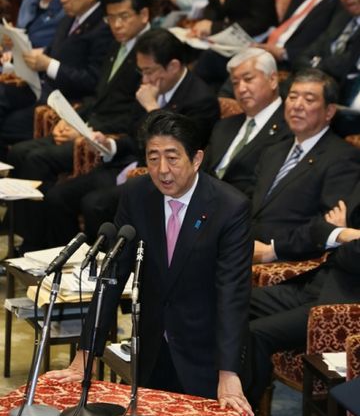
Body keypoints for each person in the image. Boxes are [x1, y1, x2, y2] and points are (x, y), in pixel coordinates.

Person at [46, 111, 253, 415]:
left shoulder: (230, 208)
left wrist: (228, 372)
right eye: (153, 158)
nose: (162, 170)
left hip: (206, 356)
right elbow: (113, 275)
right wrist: (85, 354)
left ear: (196, 159)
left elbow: (231, 295)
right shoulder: (137, 195)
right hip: (152, 350)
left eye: (172, 158)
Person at [40, 28, 220, 246]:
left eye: (150, 71)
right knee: (58, 197)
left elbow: (181, 146)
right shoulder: (149, 85)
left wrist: (152, 107)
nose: (144, 78)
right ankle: (68, 262)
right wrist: (111, 144)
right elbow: (134, 134)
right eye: (141, 71)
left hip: (162, 176)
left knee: (95, 204)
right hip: (126, 164)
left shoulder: (201, 99)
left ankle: (106, 271)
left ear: (173, 66)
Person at [8, 0, 150, 252]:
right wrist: (70, 119)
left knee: (37, 160)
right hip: (89, 125)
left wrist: (85, 127)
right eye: (111, 19)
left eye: (124, 17)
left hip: (108, 137)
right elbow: (98, 97)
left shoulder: (150, 53)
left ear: (144, 15)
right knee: (19, 153)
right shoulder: (117, 45)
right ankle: (29, 239)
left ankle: (40, 246)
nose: (117, 25)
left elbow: (132, 115)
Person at [248, 179, 360, 408]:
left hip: (341, 307)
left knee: (256, 334)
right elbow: (321, 226)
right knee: (228, 303)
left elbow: (353, 256)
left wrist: (342, 234)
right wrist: (345, 233)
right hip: (318, 281)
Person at [0, 0, 112, 146]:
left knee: (8, 125)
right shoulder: (70, 18)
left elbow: (93, 80)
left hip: (64, 100)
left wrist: (48, 64)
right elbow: (52, 51)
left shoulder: (103, 28)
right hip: (39, 87)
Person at [251, 68, 360, 263]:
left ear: (329, 111)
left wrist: (273, 249)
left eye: (309, 100)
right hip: (239, 244)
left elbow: (325, 225)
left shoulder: (343, 158)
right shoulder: (273, 150)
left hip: (283, 257)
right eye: (292, 97)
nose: (297, 106)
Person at [202, 48, 291, 196]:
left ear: (273, 80)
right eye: (235, 83)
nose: (241, 89)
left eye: (248, 79)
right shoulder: (224, 125)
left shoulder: (289, 128)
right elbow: (200, 170)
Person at [293, 0, 360, 94]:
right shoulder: (343, 17)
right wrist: (321, 66)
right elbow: (304, 55)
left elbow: (344, 65)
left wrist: (317, 64)